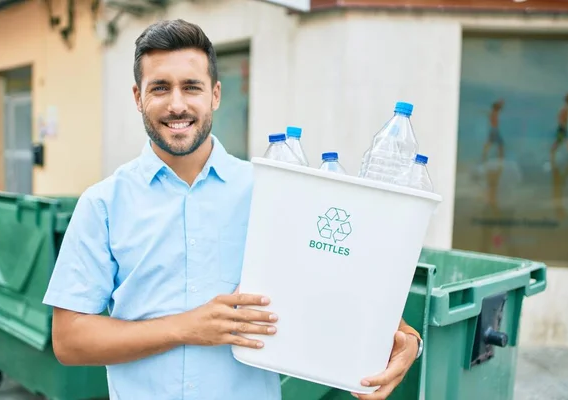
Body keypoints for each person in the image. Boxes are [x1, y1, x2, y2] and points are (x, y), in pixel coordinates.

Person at [43, 19, 422, 400]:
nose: (177, 104)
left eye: (192, 87)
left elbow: (342, 284)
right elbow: (69, 339)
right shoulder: (103, 204)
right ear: (138, 97)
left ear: (216, 95)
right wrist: (187, 327)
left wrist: (407, 340)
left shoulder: (274, 192)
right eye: (160, 88)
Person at [551, 92, 568, 162]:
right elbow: (561, 118)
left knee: (564, 141)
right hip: (562, 128)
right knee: (561, 141)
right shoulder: (566, 109)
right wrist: (564, 126)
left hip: (564, 128)